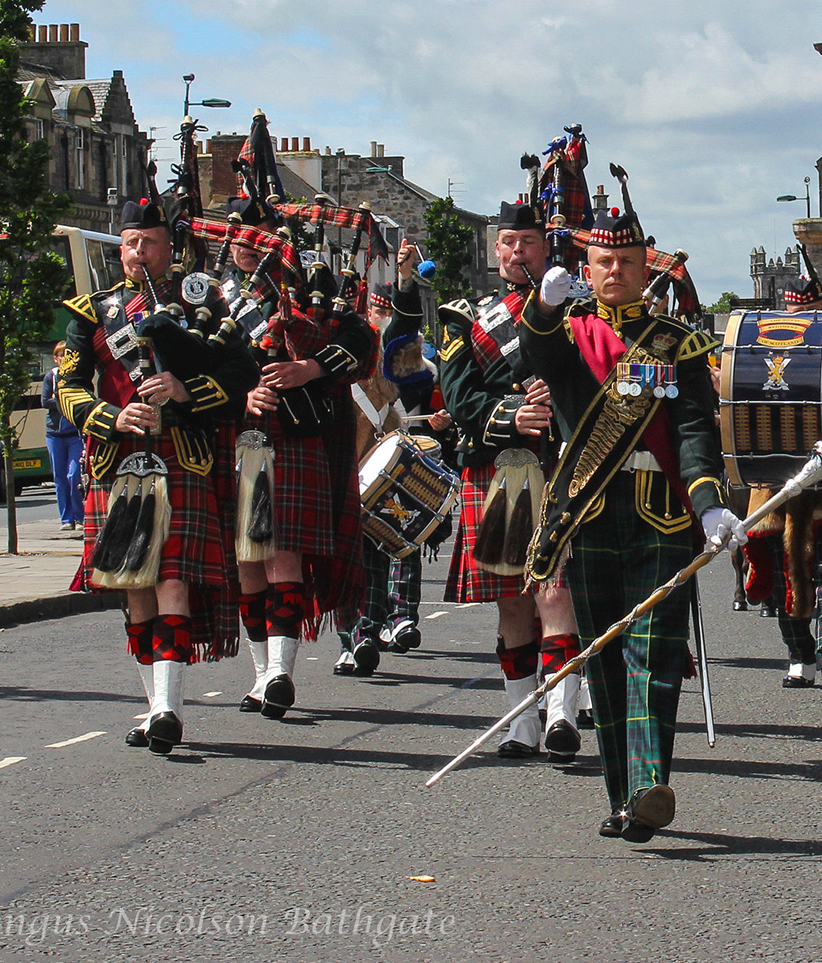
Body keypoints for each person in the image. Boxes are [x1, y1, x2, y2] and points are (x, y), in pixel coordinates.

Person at [515, 195, 741, 841]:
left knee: (654, 656)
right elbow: (540, 356)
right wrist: (545, 306)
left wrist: (709, 504)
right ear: (585, 268)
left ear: (648, 268)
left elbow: (695, 426)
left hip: (662, 515)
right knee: (605, 657)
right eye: (602, 261)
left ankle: (649, 785)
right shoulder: (570, 333)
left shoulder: (681, 343)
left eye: (626, 261)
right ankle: (621, 795)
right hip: (589, 514)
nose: (614, 271)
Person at [58, 194, 256, 755]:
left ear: (170, 249)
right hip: (118, 459)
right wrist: (111, 416)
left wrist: (184, 391)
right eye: (129, 243)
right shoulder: (91, 313)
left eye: (148, 242)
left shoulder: (206, 305)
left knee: (171, 580)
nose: (137, 252)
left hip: (182, 453)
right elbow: (65, 390)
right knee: (135, 588)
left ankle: (169, 709)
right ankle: (154, 708)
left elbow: (242, 371)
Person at [438, 203, 586, 763]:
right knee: (513, 604)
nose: (518, 250)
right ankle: (521, 720)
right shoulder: (464, 317)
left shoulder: (578, 310)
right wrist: (511, 414)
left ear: (545, 248)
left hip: (563, 467)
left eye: (528, 240)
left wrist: (563, 398)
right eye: (508, 242)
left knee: (557, 592)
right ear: (496, 250)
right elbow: (459, 396)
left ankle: (563, 716)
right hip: (499, 470)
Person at [225, 194, 373, 722]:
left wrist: (311, 368)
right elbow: (202, 368)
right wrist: (240, 395)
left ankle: (282, 673)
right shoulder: (216, 299)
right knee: (246, 562)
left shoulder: (313, 287)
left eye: (256, 233)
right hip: (238, 438)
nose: (246, 245)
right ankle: (262, 673)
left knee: (282, 552)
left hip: (294, 437)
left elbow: (362, 343)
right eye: (237, 236)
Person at [738, 267, 822, 695]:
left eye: (814, 312)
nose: (807, 321)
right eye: (799, 312)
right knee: (782, 576)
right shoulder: (760, 352)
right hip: (776, 480)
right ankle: (800, 655)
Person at [337, 241, 449, 676]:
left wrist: (404, 281)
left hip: (381, 462)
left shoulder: (384, 355)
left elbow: (405, 336)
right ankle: (355, 638)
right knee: (348, 557)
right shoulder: (326, 347)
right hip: (340, 465)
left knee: (391, 544)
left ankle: (382, 624)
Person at [43, 343, 85, 529]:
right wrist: (62, 401)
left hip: (74, 434)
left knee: (74, 474)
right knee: (59, 477)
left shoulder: (76, 375)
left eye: (66, 354)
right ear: (55, 358)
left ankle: (80, 516)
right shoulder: (50, 377)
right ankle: (66, 519)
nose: (63, 358)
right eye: (60, 355)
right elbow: (45, 401)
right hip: (55, 434)